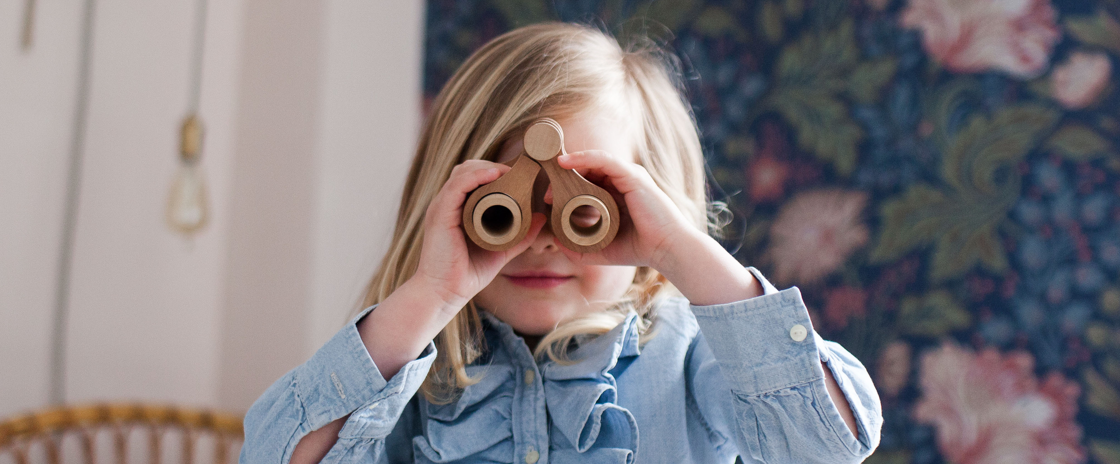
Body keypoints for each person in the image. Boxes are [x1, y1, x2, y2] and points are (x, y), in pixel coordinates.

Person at [241, 22, 882, 463]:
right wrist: (429, 295)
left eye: (586, 207)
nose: (542, 242)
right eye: (505, 214)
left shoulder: (694, 358)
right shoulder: (413, 373)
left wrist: (679, 251)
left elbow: (827, 444)